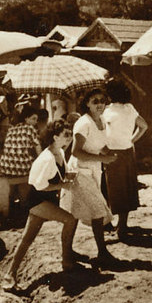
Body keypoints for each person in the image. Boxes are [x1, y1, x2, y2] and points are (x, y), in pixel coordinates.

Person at [3, 120, 81, 290]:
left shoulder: (59, 151)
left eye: (70, 135)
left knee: (27, 238)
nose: (69, 138)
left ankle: (10, 274)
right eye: (65, 135)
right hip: (36, 200)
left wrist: (71, 177)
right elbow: (39, 185)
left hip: (46, 199)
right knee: (70, 220)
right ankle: (66, 260)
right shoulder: (46, 158)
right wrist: (62, 185)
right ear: (55, 137)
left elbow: (63, 175)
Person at [60, 88, 117, 265]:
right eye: (95, 101)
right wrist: (102, 158)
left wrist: (109, 154)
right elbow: (76, 152)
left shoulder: (101, 121)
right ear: (87, 104)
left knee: (76, 212)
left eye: (102, 100)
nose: (100, 104)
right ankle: (102, 252)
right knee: (97, 209)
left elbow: (97, 145)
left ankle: (68, 253)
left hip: (91, 169)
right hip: (78, 171)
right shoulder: (83, 123)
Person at [102, 79, 148, 238]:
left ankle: (116, 226)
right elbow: (144, 126)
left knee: (114, 189)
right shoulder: (130, 108)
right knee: (126, 188)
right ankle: (122, 224)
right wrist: (132, 140)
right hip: (127, 151)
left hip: (112, 152)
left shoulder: (107, 111)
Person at [0, 104, 43, 210]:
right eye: (33, 119)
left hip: (5, 167)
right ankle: (24, 205)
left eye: (37, 119)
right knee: (32, 170)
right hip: (21, 169)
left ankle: (14, 205)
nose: (35, 122)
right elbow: (39, 152)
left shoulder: (12, 129)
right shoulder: (31, 129)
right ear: (26, 118)